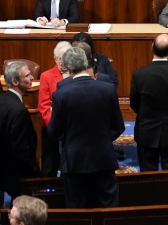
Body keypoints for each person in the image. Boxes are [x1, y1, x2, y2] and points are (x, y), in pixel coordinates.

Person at [48, 46, 124, 208]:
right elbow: (119, 126)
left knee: (77, 210)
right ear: (86, 62)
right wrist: (103, 139)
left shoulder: (60, 94)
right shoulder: (108, 89)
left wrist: (69, 141)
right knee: (108, 207)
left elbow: (53, 131)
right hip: (103, 159)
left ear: (66, 68)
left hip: (74, 161)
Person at [0, 62, 41, 216]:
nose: (31, 78)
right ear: (15, 82)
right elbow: (21, 147)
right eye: (27, 76)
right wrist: (34, 170)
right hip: (15, 170)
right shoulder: (19, 110)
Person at [130, 34, 168, 171]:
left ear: (152, 48)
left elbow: (134, 103)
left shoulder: (139, 74)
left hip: (147, 132)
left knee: (148, 173)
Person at [38, 41, 70, 178]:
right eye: (60, 59)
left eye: (66, 58)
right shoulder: (47, 76)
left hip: (71, 129)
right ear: (55, 59)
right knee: (49, 166)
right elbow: (44, 107)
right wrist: (55, 127)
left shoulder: (77, 74)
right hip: (52, 129)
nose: (63, 62)